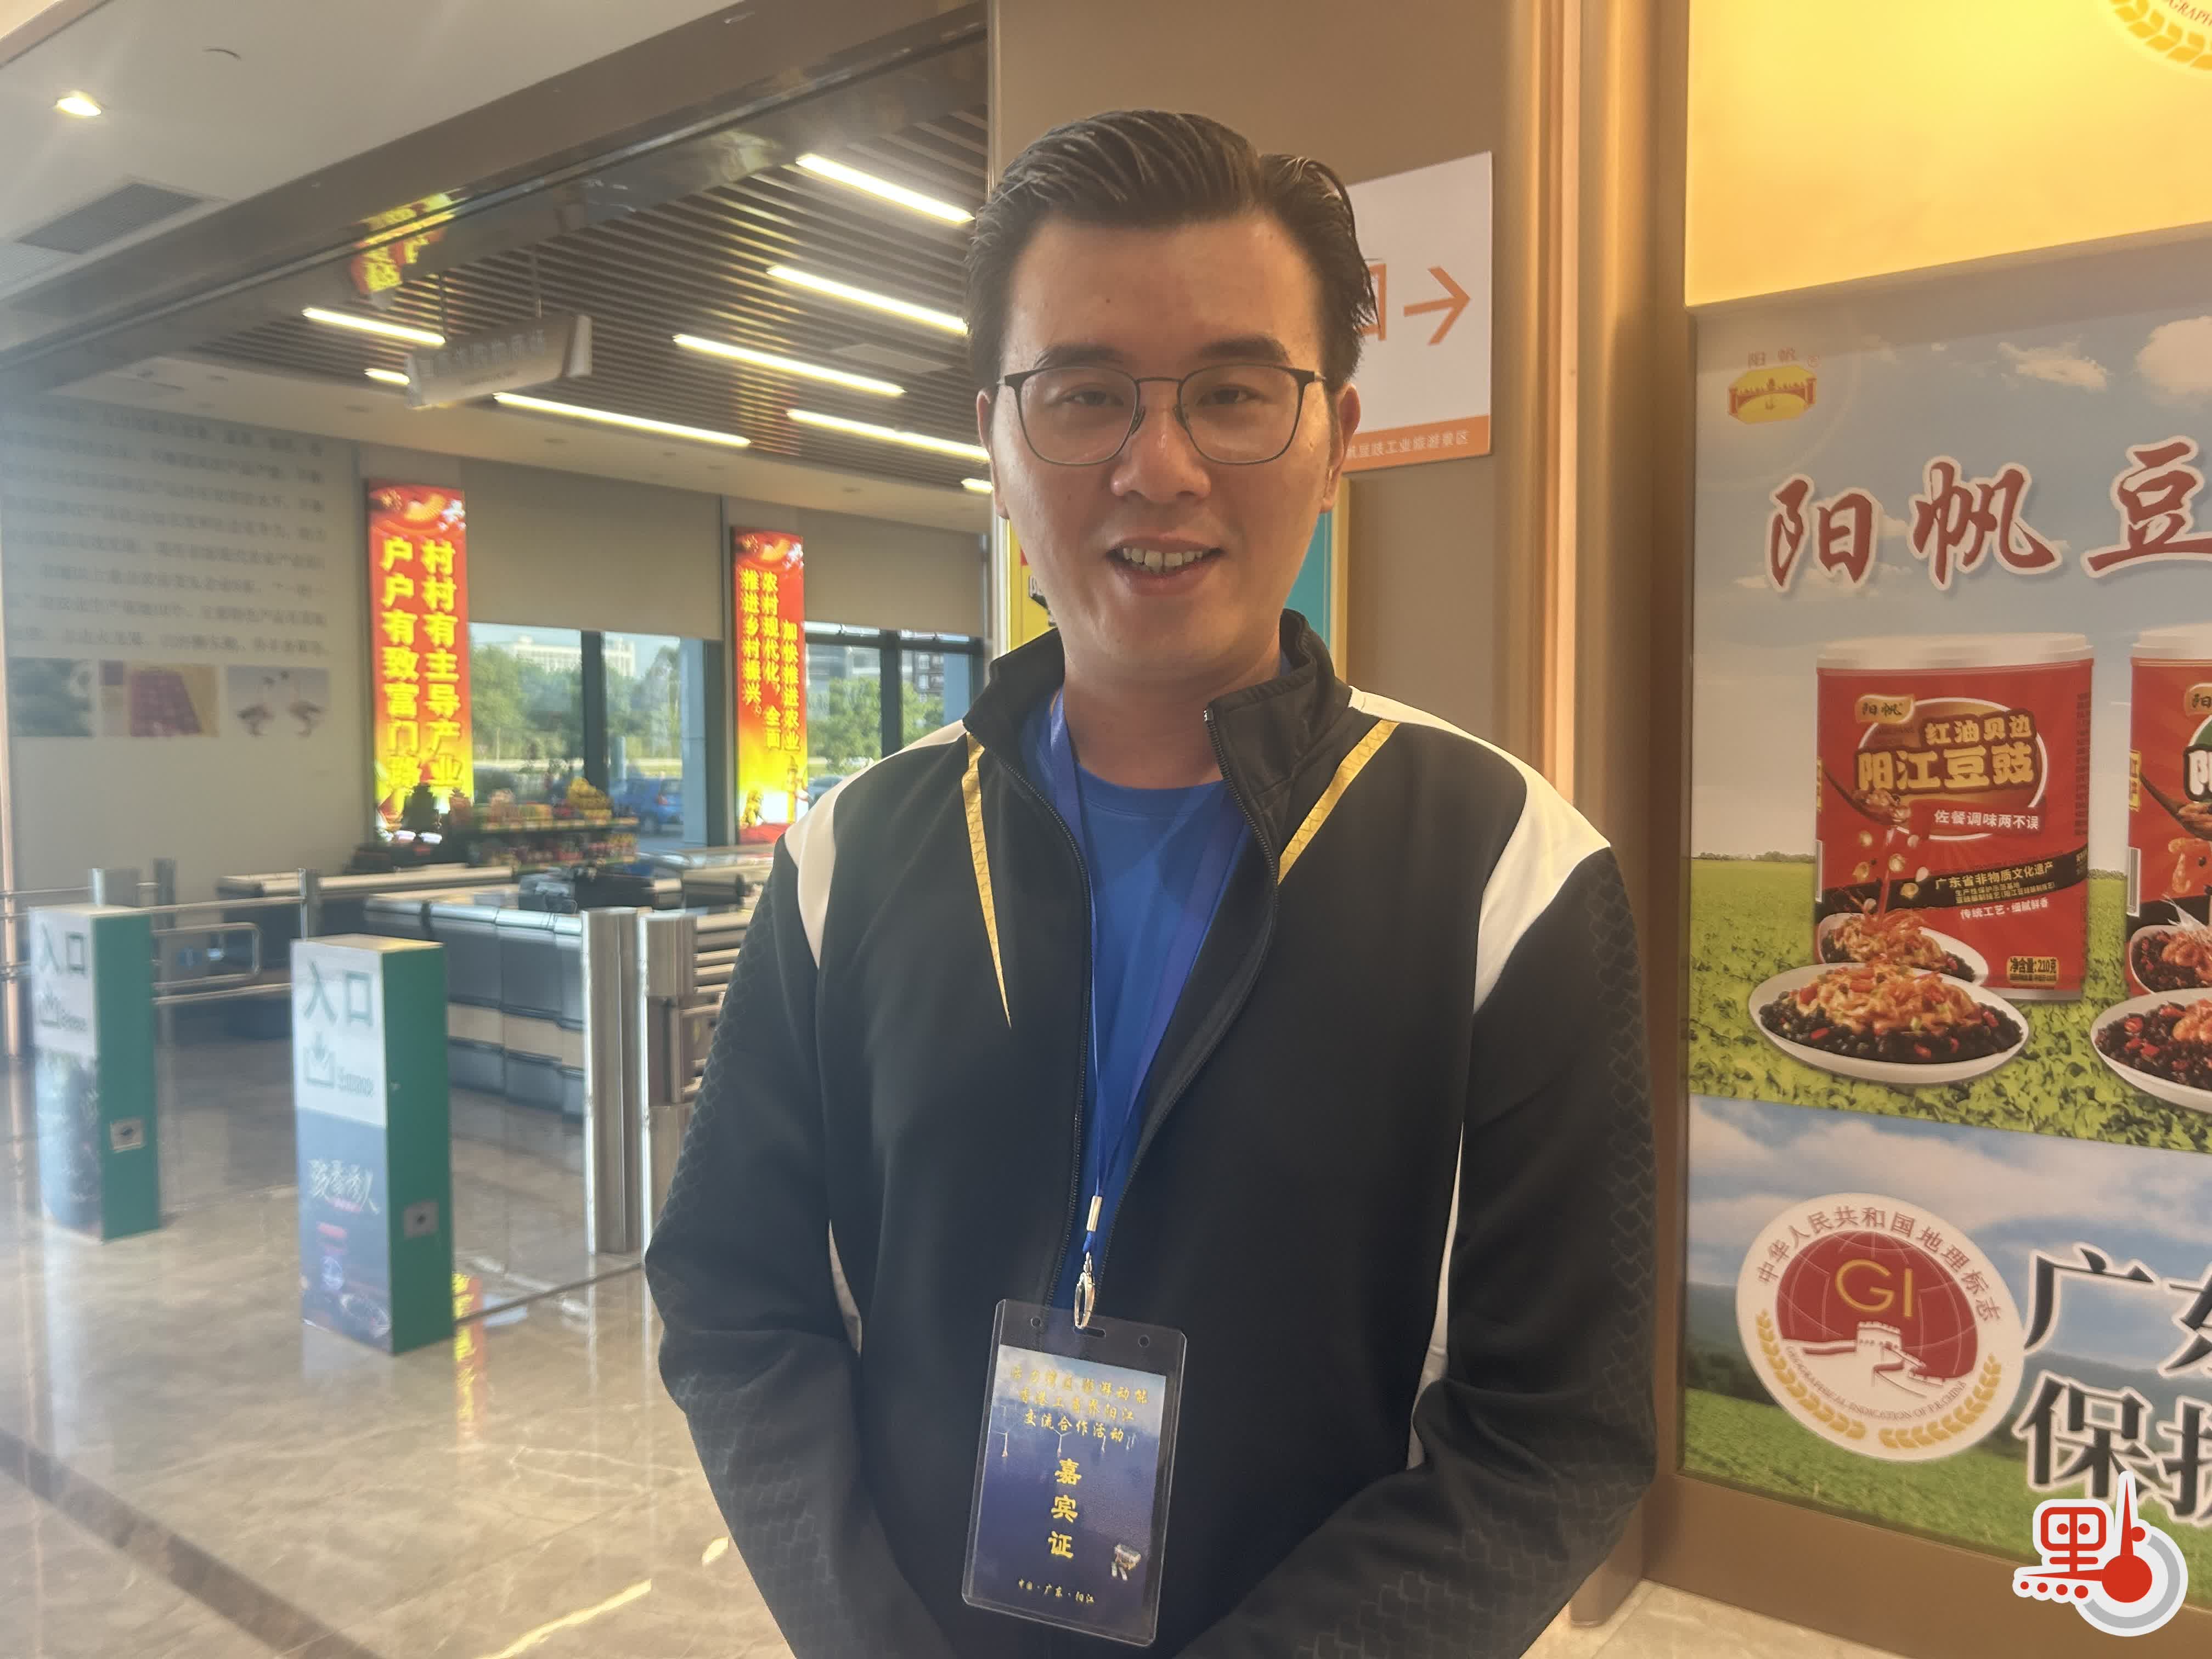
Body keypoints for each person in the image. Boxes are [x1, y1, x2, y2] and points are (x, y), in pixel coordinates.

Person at [648, 109, 1655, 1657]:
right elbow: (732, 1299)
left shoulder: (1507, 869)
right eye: (1085, 396)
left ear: (1338, 437)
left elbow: (1558, 1433)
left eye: (1235, 394)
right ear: (996, 445)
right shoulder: (856, 849)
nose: (1159, 467)